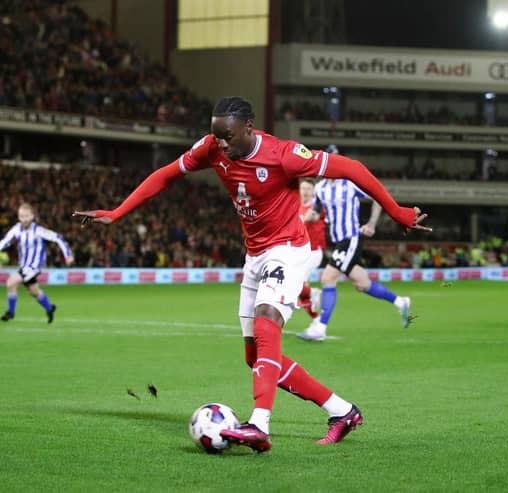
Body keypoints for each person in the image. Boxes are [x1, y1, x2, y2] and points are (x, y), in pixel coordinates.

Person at [74, 97, 427, 453]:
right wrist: (117, 212)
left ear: (248, 127)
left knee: (267, 322)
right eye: (216, 136)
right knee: (254, 358)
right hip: (255, 254)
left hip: (288, 249)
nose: (221, 144)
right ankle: (343, 412)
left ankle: (259, 424)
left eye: (227, 136)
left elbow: (352, 168)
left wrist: (397, 212)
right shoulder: (213, 147)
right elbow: (166, 174)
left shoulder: (283, 154)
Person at [298, 145, 412, 342]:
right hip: (339, 241)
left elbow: (378, 196)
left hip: (350, 238)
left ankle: (320, 326)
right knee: (362, 283)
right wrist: (304, 219)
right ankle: (400, 302)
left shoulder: (350, 184)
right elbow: (316, 211)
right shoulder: (321, 188)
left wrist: (372, 223)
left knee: (327, 278)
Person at [0, 203, 74, 323]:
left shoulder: (39, 231)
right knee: (34, 291)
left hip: (34, 267)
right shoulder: (16, 229)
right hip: (24, 266)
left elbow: (58, 238)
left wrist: (68, 255)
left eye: (26, 216)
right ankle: (49, 308)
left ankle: (11, 312)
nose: (24, 219)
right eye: (21, 216)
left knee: (11, 282)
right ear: (18, 217)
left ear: (32, 216)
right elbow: (4, 242)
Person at [296, 178, 326, 321]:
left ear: (314, 191)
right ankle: (316, 320)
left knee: (295, 283)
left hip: (313, 252)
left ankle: (312, 292)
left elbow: (314, 217)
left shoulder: (316, 206)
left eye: (309, 189)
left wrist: (303, 219)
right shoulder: (296, 206)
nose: (306, 192)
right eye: (303, 188)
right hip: (299, 252)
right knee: (301, 294)